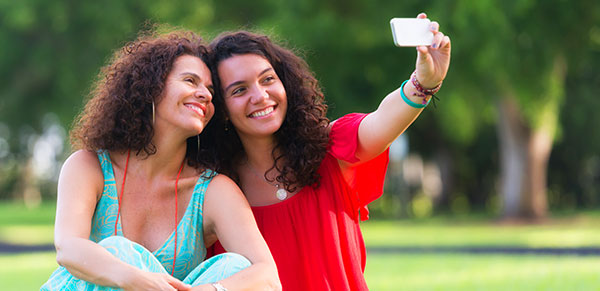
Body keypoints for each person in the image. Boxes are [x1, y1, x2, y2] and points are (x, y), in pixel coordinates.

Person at [202, 13, 451, 290]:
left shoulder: (330, 149)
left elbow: (381, 121)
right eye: (239, 90)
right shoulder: (211, 190)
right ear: (220, 109)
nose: (260, 96)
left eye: (268, 79)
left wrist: (424, 82)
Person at [41, 29, 281, 291]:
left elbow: (267, 276)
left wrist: (210, 290)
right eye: (190, 81)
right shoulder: (90, 167)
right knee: (118, 250)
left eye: (210, 90)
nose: (205, 94)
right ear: (150, 87)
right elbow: (68, 248)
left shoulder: (212, 190)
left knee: (234, 267)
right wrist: (136, 279)